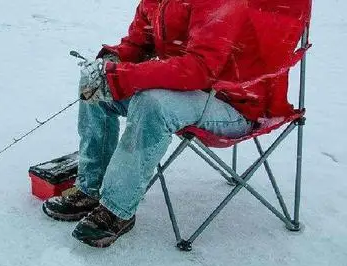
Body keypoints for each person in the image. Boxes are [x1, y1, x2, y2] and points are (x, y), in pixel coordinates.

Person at [42, 0, 301, 248]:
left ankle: (117, 209)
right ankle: (91, 189)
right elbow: (137, 44)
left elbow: (200, 68)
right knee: (96, 86)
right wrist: (112, 61)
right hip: (191, 92)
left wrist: (126, 77)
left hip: (236, 103)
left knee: (152, 103)